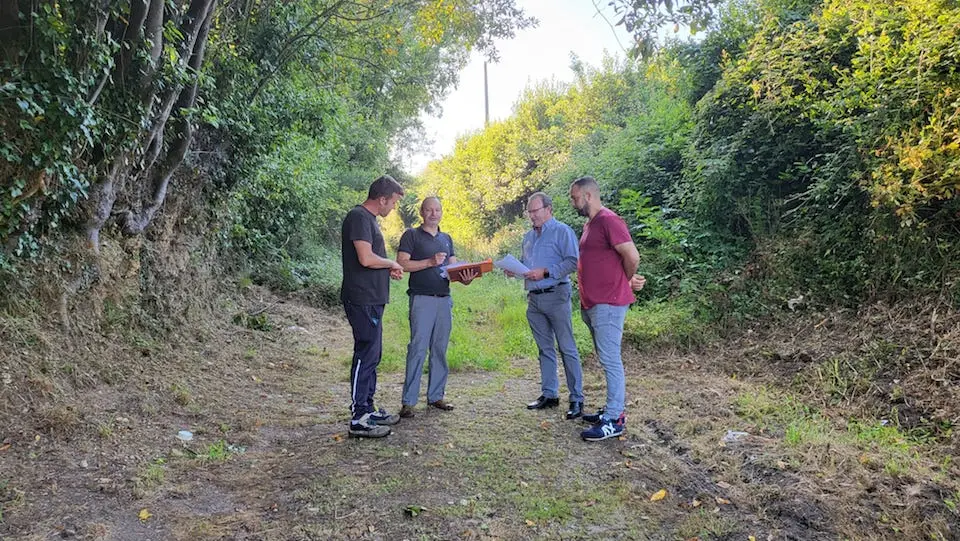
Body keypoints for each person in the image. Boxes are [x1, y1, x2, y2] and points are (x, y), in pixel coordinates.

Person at [569, 176, 645, 441]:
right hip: (592, 302)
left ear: (588, 195)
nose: (573, 202)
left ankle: (615, 419)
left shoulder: (609, 220)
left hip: (609, 303)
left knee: (611, 360)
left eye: (575, 197)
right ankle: (610, 410)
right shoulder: (591, 224)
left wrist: (624, 279)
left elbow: (632, 255)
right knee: (605, 358)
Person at [396, 197, 477, 418]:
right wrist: (429, 263)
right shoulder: (411, 235)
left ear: (442, 212)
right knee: (418, 348)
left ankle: (436, 397)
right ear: (422, 212)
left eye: (437, 209)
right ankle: (408, 401)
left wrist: (466, 277)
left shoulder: (447, 238)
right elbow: (402, 263)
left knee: (440, 349)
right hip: (421, 299)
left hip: (444, 299)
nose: (433, 213)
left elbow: (454, 268)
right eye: (429, 210)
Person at [341, 175, 406, 438]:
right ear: (382, 199)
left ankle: (368, 407)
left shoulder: (369, 221)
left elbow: (370, 260)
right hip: (362, 298)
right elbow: (366, 258)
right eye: (393, 203)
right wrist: (390, 263)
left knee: (373, 355)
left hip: (373, 298)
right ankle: (358, 417)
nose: (392, 209)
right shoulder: (358, 217)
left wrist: (387, 267)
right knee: (365, 354)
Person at [515, 192, 585, 420]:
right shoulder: (527, 237)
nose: (532, 215)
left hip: (556, 294)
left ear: (548, 209)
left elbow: (573, 262)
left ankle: (576, 398)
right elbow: (526, 266)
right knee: (544, 348)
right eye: (529, 212)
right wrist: (514, 270)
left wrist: (546, 272)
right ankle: (549, 394)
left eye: (536, 211)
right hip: (534, 299)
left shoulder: (562, 231)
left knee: (566, 347)